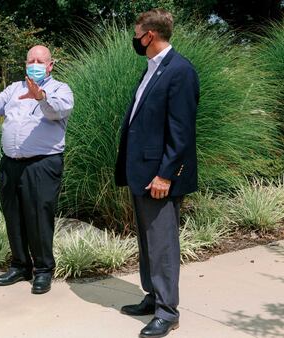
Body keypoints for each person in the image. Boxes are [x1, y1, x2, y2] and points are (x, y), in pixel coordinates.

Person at [0, 45, 74, 294]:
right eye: (30, 60)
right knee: (14, 215)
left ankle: (43, 270)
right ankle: (20, 265)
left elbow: (59, 111)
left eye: (40, 60)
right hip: (11, 163)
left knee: (38, 217)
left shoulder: (60, 89)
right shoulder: (14, 88)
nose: (34, 64)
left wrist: (40, 97)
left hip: (42, 164)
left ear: (50, 65)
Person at [115, 9, 200, 338]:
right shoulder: (152, 69)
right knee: (148, 241)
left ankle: (168, 311)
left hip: (158, 178)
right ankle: (153, 297)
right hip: (140, 173)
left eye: (137, 33)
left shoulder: (180, 71)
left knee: (162, 244)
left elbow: (182, 133)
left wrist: (166, 175)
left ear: (149, 35)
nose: (135, 39)